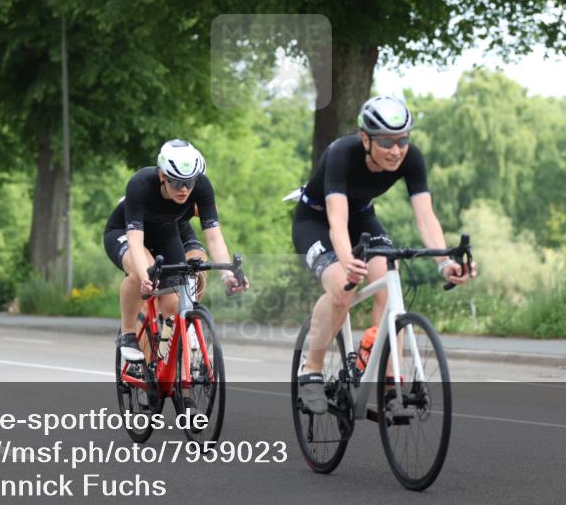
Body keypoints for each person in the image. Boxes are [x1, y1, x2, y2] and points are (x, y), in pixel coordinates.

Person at [291, 95, 476, 414]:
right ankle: (311, 371)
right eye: (386, 142)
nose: (396, 150)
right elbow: (337, 221)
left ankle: (390, 386)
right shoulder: (341, 154)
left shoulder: (411, 158)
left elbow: (425, 217)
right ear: (365, 139)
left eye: (402, 140)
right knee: (342, 290)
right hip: (317, 221)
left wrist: (444, 263)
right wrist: (347, 263)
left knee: (390, 285)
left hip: (362, 218)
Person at [104, 139, 247, 363]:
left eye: (189, 182)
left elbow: (213, 236)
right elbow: (135, 240)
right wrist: (145, 277)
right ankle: (128, 334)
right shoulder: (140, 184)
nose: (184, 189)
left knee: (173, 305)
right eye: (178, 183)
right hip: (124, 232)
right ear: (162, 175)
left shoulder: (202, 186)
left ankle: (162, 356)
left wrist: (227, 275)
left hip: (165, 234)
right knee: (143, 271)